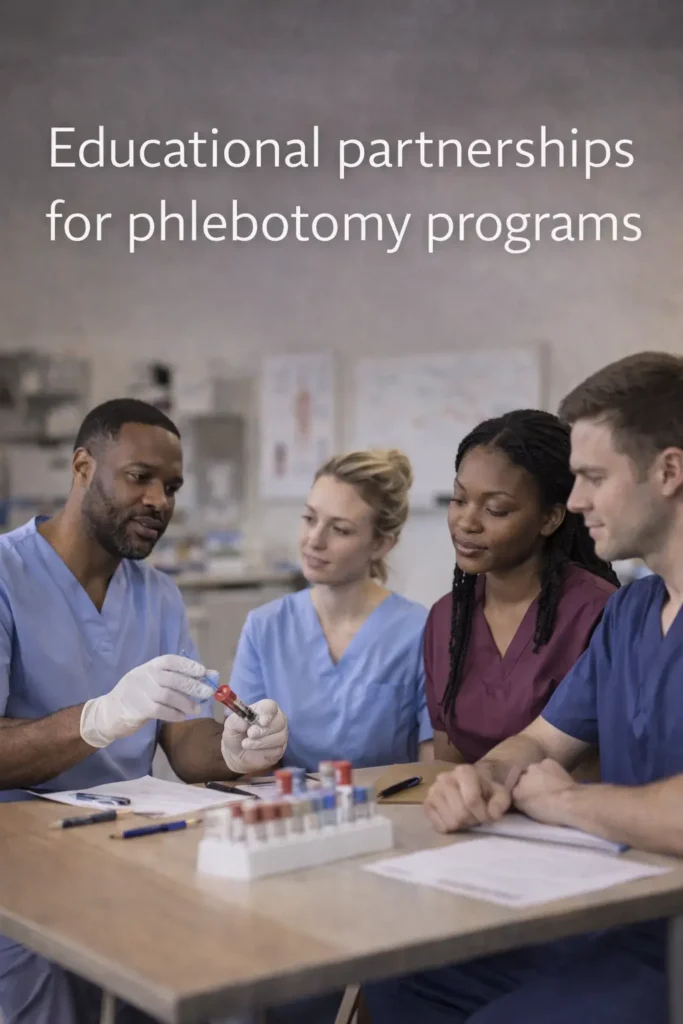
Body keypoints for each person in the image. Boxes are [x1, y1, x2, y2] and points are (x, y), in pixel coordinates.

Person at [363, 351, 683, 1024]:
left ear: (669, 472)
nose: (576, 502)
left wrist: (567, 803)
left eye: (594, 477)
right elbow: (539, 740)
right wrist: (483, 777)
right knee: (397, 985)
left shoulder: (596, 604)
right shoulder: (632, 614)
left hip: (667, 943)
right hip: (614, 916)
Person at [0, 398, 288, 1024]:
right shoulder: (6, 575)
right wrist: (99, 718)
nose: (159, 500)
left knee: (221, 979)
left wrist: (236, 748)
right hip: (18, 866)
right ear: (83, 467)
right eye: (140, 478)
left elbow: (183, 743)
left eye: (172, 487)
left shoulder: (157, 595)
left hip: (130, 849)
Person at [426, 409, 619, 764]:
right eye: (459, 500)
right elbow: (446, 766)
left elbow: (611, 763)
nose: (466, 522)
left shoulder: (599, 614)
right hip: (472, 800)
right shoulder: (446, 618)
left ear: (550, 518)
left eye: (495, 509)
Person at [227, 448, 433, 772]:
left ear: (381, 544)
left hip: (389, 803)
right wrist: (241, 756)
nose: (314, 540)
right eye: (310, 519)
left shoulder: (420, 632)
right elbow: (250, 761)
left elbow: (433, 767)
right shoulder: (265, 628)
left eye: (340, 529)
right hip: (288, 802)